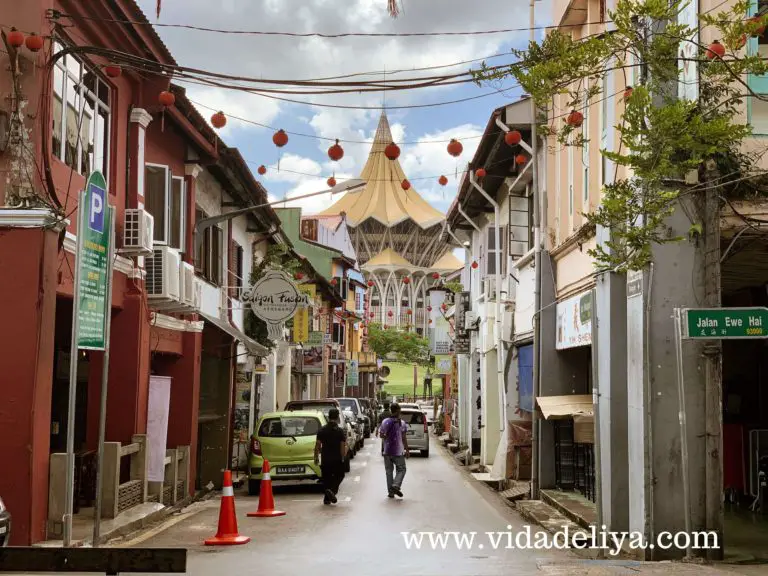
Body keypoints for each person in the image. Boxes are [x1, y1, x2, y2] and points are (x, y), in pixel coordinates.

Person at [314, 408, 348, 505]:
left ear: (328, 417)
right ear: (337, 418)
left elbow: (317, 446)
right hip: (337, 459)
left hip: (326, 459)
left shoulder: (322, 430)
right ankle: (332, 491)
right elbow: (342, 447)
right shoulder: (340, 431)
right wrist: (343, 457)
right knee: (340, 475)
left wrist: (316, 457)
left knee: (327, 478)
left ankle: (327, 498)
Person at [379, 403, 409, 499]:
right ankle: (396, 485)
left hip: (387, 451)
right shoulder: (402, 423)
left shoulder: (385, 422)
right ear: (398, 411)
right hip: (398, 451)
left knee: (389, 471)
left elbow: (381, 435)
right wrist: (407, 450)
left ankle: (391, 492)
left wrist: (387, 436)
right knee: (402, 469)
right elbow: (404, 438)